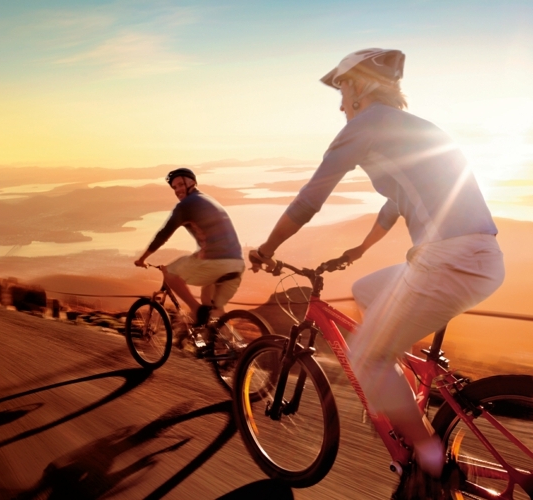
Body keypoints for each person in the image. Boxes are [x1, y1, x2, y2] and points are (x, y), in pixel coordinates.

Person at [250, 48, 504, 496]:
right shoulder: (414, 128)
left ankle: (428, 467)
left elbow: (310, 199)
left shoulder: (363, 126)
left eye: (341, 90)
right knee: (366, 289)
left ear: (358, 86)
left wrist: (268, 247)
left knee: (366, 357)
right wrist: (360, 247)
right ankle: (403, 389)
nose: (340, 104)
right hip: (476, 258)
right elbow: (397, 201)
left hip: (448, 259)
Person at [135, 168, 245, 326]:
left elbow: (163, 234)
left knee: (170, 273)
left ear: (192, 182)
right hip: (237, 265)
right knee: (213, 311)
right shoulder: (208, 199)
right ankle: (234, 347)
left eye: (180, 185)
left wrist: (142, 259)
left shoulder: (186, 205)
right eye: (174, 188)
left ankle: (195, 309)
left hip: (215, 262)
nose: (177, 190)